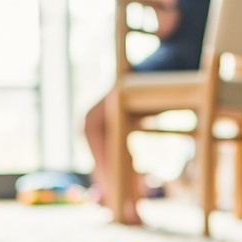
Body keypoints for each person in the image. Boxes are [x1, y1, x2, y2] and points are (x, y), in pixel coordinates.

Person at [83, 0, 211, 225]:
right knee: (119, 119)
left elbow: (167, 25)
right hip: (207, 64)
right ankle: (126, 197)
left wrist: (155, 7)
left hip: (180, 60)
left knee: (95, 120)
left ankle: (120, 203)